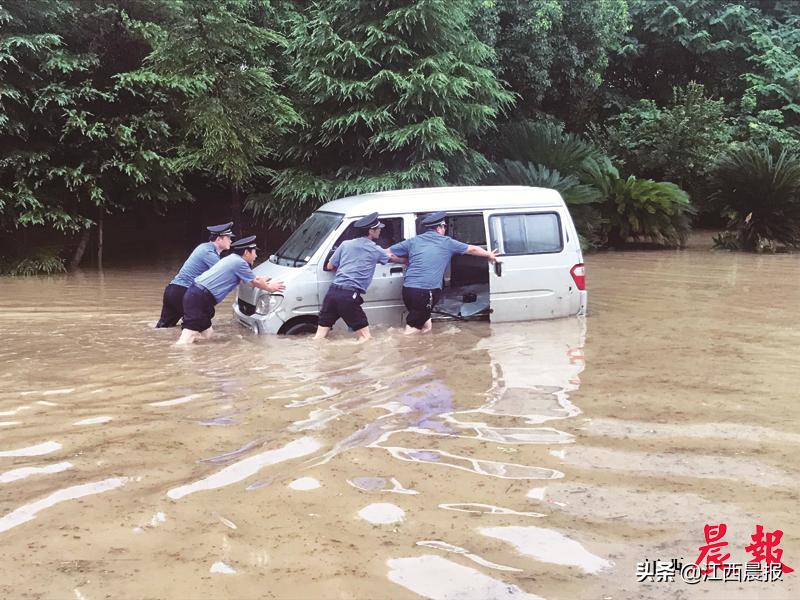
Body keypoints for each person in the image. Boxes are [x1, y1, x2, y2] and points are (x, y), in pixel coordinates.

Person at [389, 211, 498, 334]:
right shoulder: (446, 242)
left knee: (426, 325)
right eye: (444, 226)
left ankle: (424, 351)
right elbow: (472, 249)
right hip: (425, 291)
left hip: (408, 290)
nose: (445, 228)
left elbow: (388, 254)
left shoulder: (413, 241)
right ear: (439, 227)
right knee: (412, 329)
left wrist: (405, 261)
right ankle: (403, 349)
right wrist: (489, 254)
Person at [176, 235, 285, 345]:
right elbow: (254, 282)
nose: (256, 256)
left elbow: (249, 281)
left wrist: (260, 280)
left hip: (197, 296)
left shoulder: (233, 259)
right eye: (254, 252)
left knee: (207, 335)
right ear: (246, 253)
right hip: (199, 299)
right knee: (187, 337)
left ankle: (197, 357)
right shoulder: (240, 263)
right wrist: (270, 287)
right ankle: (177, 356)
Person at [314, 212, 406, 342]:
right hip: (349, 296)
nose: (380, 230)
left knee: (319, 337)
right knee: (366, 338)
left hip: (332, 293)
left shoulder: (345, 244)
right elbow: (393, 258)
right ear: (371, 231)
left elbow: (330, 266)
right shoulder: (375, 249)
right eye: (378, 228)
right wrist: (409, 261)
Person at [156, 222, 234, 328]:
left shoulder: (204, 248)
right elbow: (226, 273)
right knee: (205, 315)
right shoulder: (209, 253)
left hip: (172, 291)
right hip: (183, 292)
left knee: (164, 328)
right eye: (228, 238)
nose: (231, 240)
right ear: (219, 239)